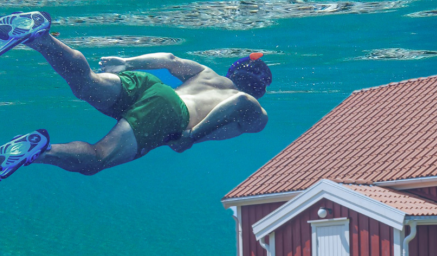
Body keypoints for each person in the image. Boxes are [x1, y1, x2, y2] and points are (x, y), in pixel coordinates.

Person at [17, 33, 271, 175]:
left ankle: (40, 38)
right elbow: (241, 100)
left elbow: (169, 59)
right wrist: (192, 136)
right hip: (170, 114)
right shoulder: (256, 114)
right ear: (261, 89)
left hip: (151, 86)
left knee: (86, 84)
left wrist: (128, 63)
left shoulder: (207, 73)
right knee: (98, 157)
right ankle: (36, 152)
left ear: (233, 71)